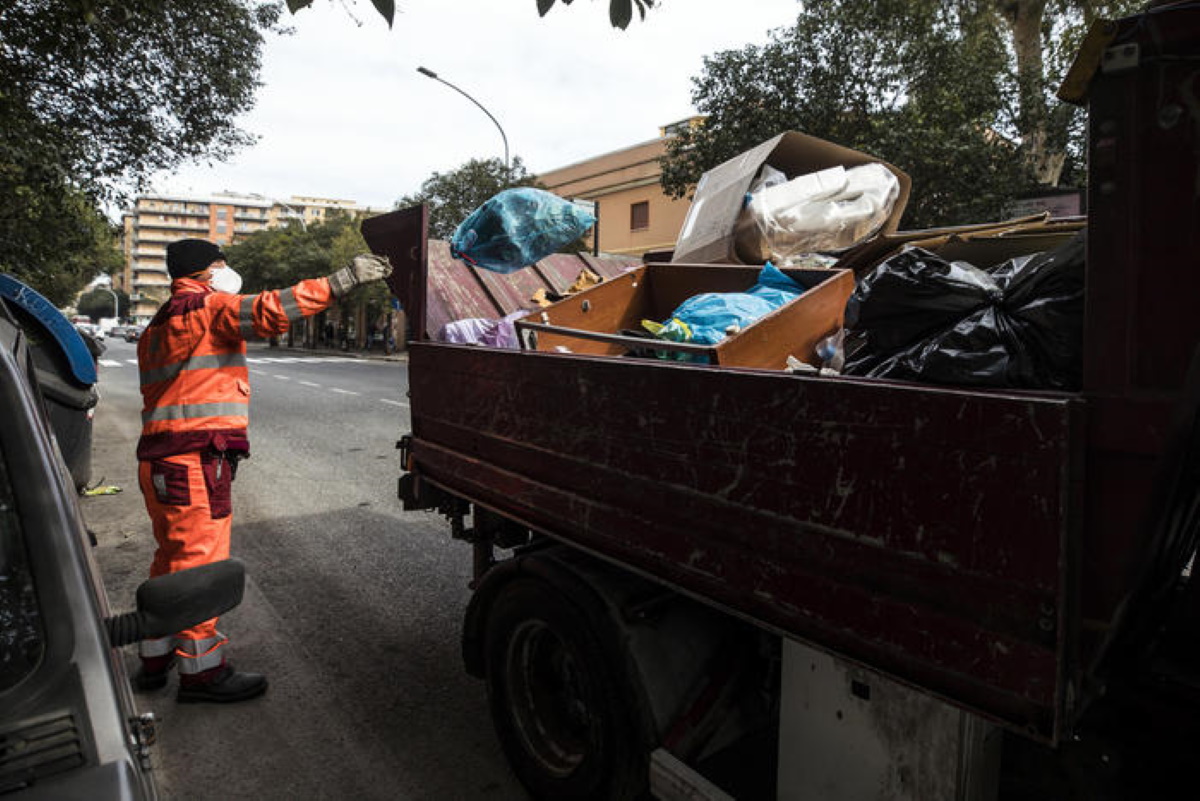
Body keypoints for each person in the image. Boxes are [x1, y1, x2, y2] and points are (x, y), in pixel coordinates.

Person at [134, 237, 390, 703]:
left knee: (170, 558)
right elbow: (272, 310)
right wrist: (342, 281)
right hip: (195, 459)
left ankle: (154, 655)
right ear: (204, 271)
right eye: (221, 264)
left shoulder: (156, 325)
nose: (228, 272)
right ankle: (201, 673)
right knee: (199, 566)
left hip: (156, 458)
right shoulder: (210, 307)